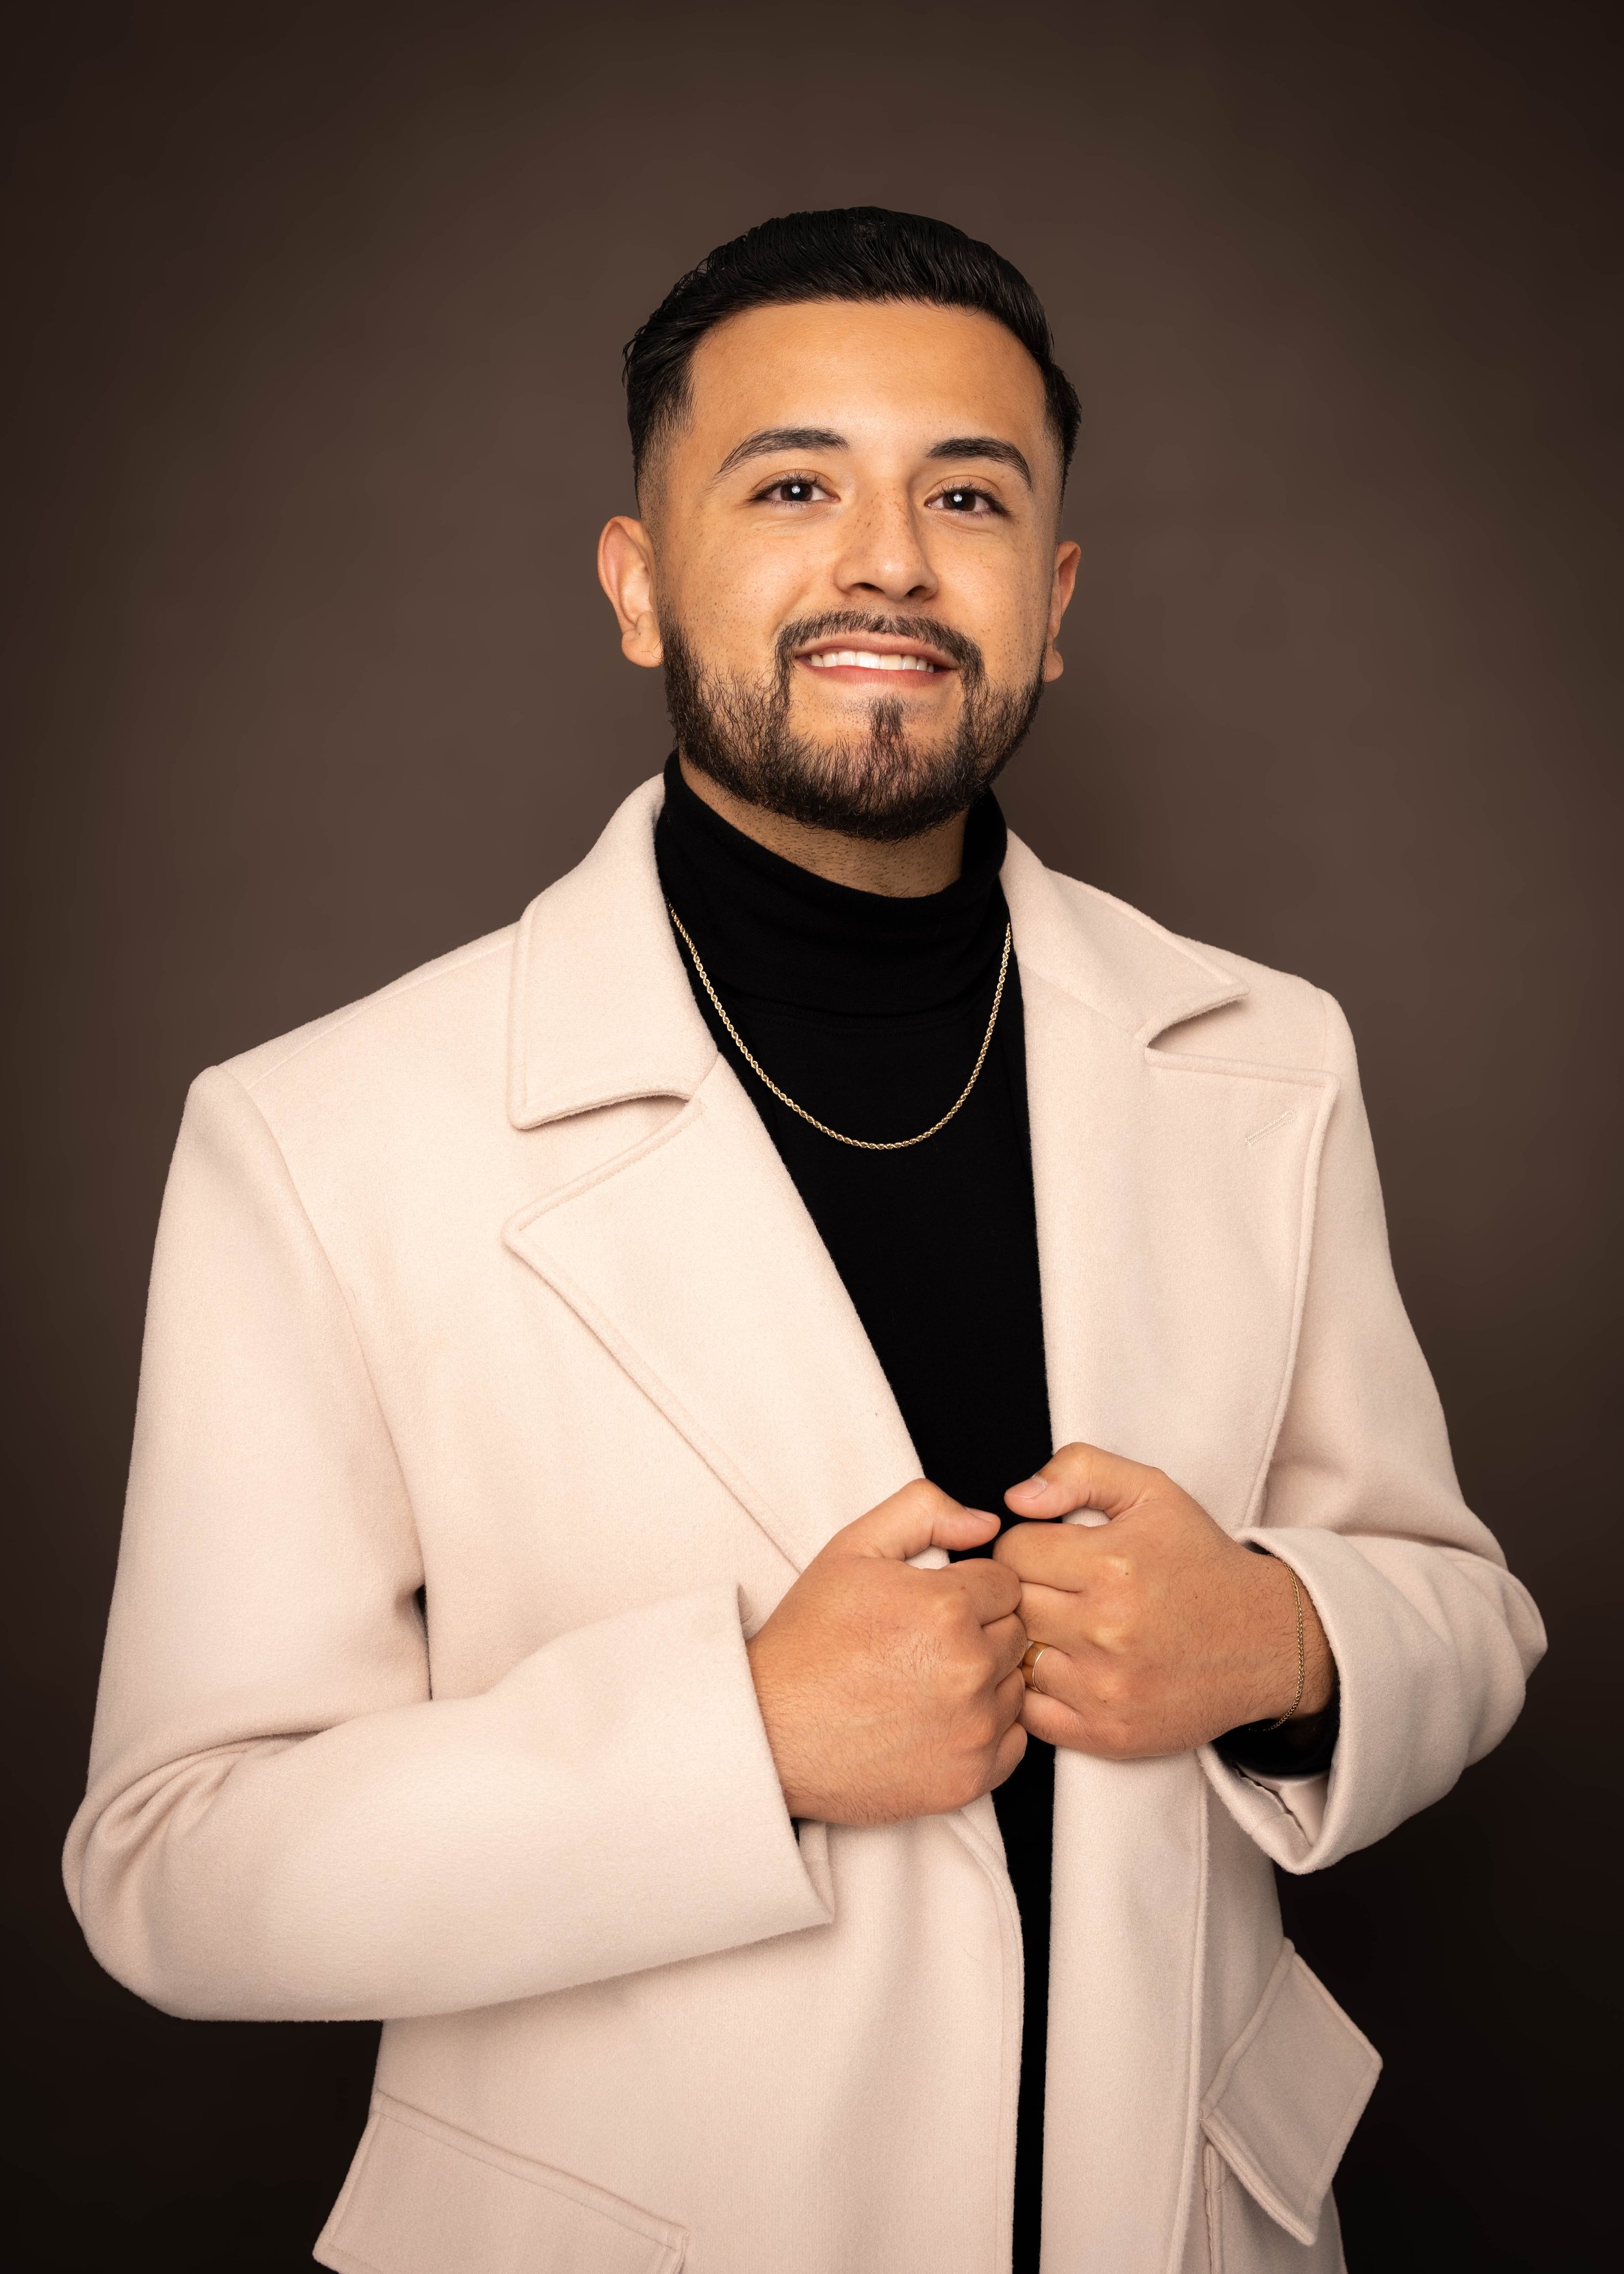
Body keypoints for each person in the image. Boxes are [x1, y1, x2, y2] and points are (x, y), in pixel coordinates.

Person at [64, 208, 1543, 2274]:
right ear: (636, 586)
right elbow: (172, 1865)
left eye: (966, 493)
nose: (885, 557)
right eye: (790, 485)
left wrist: (1286, 1644)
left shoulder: (1265, 1053)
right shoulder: (316, 1136)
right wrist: (738, 1739)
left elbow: (1460, 1605)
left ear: (1051, 596)